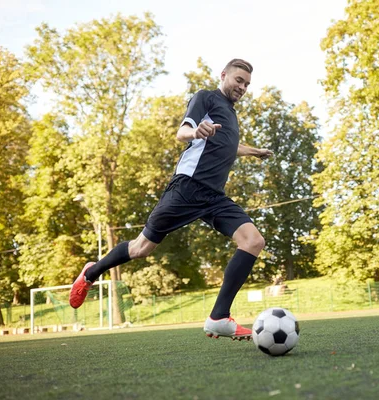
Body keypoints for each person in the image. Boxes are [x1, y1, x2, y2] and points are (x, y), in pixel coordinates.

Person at [69, 59, 273, 341]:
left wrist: (254, 152)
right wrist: (196, 132)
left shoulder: (231, 113)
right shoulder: (206, 98)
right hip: (187, 188)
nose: (243, 87)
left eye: (247, 84)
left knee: (253, 241)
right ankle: (91, 273)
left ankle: (218, 317)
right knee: (141, 248)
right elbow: (183, 132)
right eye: (239, 80)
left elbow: (227, 145)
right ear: (223, 75)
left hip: (214, 196)